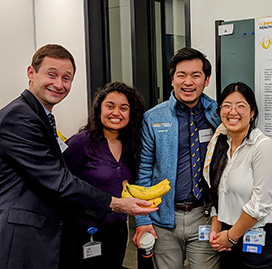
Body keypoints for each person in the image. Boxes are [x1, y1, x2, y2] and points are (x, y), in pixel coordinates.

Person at [0, 44, 156, 269]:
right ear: (31, 73)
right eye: (51, 74)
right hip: (25, 233)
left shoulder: (41, 116)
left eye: (67, 78)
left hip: (55, 231)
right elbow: (59, 179)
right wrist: (117, 204)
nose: (59, 84)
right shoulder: (20, 117)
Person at [132, 47, 221, 269]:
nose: (188, 82)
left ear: (206, 80)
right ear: (172, 80)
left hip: (205, 216)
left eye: (196, 75)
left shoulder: (218, 115)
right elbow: (143, 171)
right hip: (163, 219)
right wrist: (143, 221)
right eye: (181, 75)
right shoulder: (154, 118)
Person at [61, 82, 146, 268]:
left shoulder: (133, 145)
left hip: (117, 229)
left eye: (124, 108)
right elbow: (61, 184)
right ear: (99, 109)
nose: (116, 112)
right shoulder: (80, 143)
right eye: (110, 106)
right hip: (82, 230)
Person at [204, 82, 272, 268]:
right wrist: (216, 227)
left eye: (241, 106)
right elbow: (219, 191)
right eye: (226, 105)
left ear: (252, 113)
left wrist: (231, 237)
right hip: (229, 236)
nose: (232, 111)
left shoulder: (263, 146)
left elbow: (260, 203)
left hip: (261, 238)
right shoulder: (220, 145)